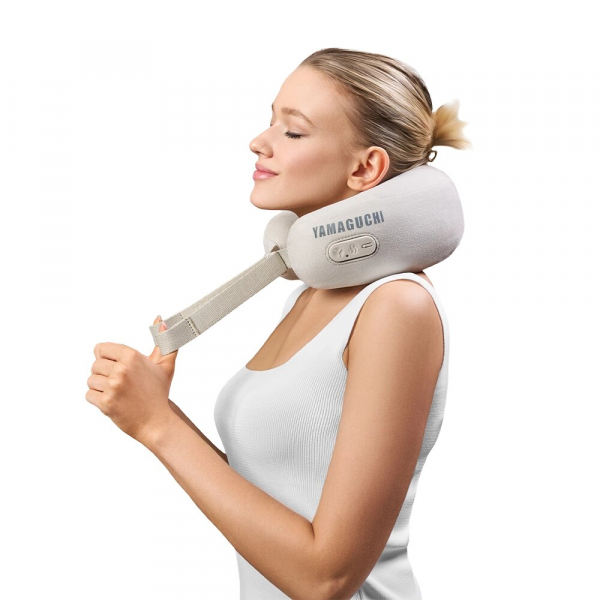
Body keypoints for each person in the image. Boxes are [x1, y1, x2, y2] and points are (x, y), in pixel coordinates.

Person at [87, 47, 471, 600]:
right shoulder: (310, 296)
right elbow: (272, 502)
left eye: (293, 131)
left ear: (365, 168)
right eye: (270, 120)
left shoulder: (396, 308)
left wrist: (158, 425)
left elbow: (326, 577)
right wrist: (156, 412)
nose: (259, 142)